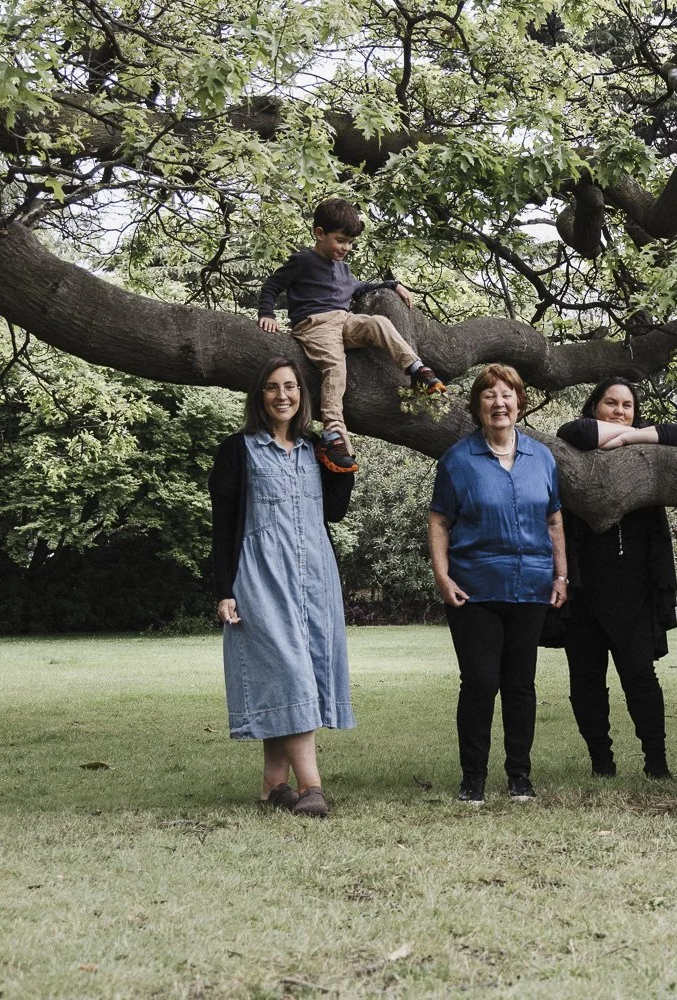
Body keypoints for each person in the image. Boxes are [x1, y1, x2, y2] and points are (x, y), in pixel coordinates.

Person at [209, 357, 355, 818]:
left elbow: (335, 512)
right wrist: (223, 589)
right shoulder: (238, 449)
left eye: (290, 386)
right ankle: (311, 786)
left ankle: (274, 786)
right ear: (260, 396)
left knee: (293, 674)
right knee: (290, 672)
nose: (282, 395)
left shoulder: (315, 447)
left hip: (314, 574)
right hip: (260, 575)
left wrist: (342, 461)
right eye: (272, 387)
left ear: (302, 394)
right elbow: (224, 524)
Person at [428, 364, 568, 805]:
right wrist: (442, 575)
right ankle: (473, 779)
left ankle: (519, 776)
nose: (499, 403)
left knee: (521, 683)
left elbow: (554, 519)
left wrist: (561, 573)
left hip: (531, 587)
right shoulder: (457, 460)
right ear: (477, 407)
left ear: (520, 404)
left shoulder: (541, 457)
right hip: (474, 589)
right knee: (480, 681)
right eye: (489, 396)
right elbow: (439, 520)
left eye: (507, 395)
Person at [555, 377, 677, 779]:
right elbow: (571, 430)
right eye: (610, 404)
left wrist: (627, 439)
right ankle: (601, 760)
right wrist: (625, 436)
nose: (619, 411)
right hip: (583, 585)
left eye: (627, 406)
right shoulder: (573, 448)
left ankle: (656, 761)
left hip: (634, 586)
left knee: (640, 676)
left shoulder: (647, 455)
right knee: (586, 682)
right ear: (594, 406)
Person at [258, 197, 448, 475]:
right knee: (335, 367)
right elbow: (272, 285)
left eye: (350, 243)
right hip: (314, 326)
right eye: (341, 240)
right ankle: (333, 434)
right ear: (319, 234)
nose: (346, 248)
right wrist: (267, 314)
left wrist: (392, 284)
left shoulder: (343, 268)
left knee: (378, 323)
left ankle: (416, 368)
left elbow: (360, 288)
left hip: (344, 321)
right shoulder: (303, 261)